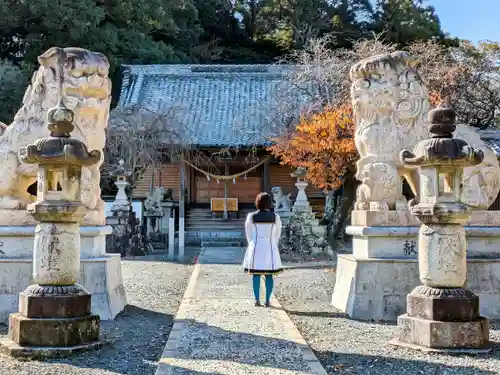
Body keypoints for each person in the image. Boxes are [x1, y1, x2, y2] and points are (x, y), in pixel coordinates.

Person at [242, 192, 283, 307]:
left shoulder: (251, 216)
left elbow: (248, 234)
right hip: (270, 246)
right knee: (269, 275)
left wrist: (253, 243)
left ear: (257, 203)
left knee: (256, 275)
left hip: (256, 247)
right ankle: (267, 301)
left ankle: (256, 300)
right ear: (270, 203)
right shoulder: (275, 217)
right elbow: (278, 234)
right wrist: (272, 243)